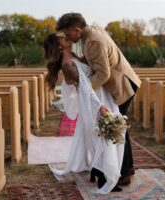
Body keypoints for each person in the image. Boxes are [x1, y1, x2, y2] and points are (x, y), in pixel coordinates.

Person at [56, 13, 141, 185]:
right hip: (123, 80)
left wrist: (86, 91)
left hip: (122, 85)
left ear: (77, 30)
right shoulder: (88, 34)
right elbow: (91, 61)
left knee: (116, 126)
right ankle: (128, 166)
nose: (67, 36)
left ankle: (122, 175)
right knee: (120, 125)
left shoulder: (93, 40)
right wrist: (70, 52)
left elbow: (103, 73)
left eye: (68, 33)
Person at [44, 32, 125, 194]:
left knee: (100, 136)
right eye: (60, 36)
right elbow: (85, 88)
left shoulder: (75, 56)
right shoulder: (67, 64)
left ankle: (97, 170)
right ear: (59, 45)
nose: (64, 35)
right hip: (93, 101)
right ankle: (104, 179)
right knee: (102, 137)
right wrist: (100, 106)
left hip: (100, 94)